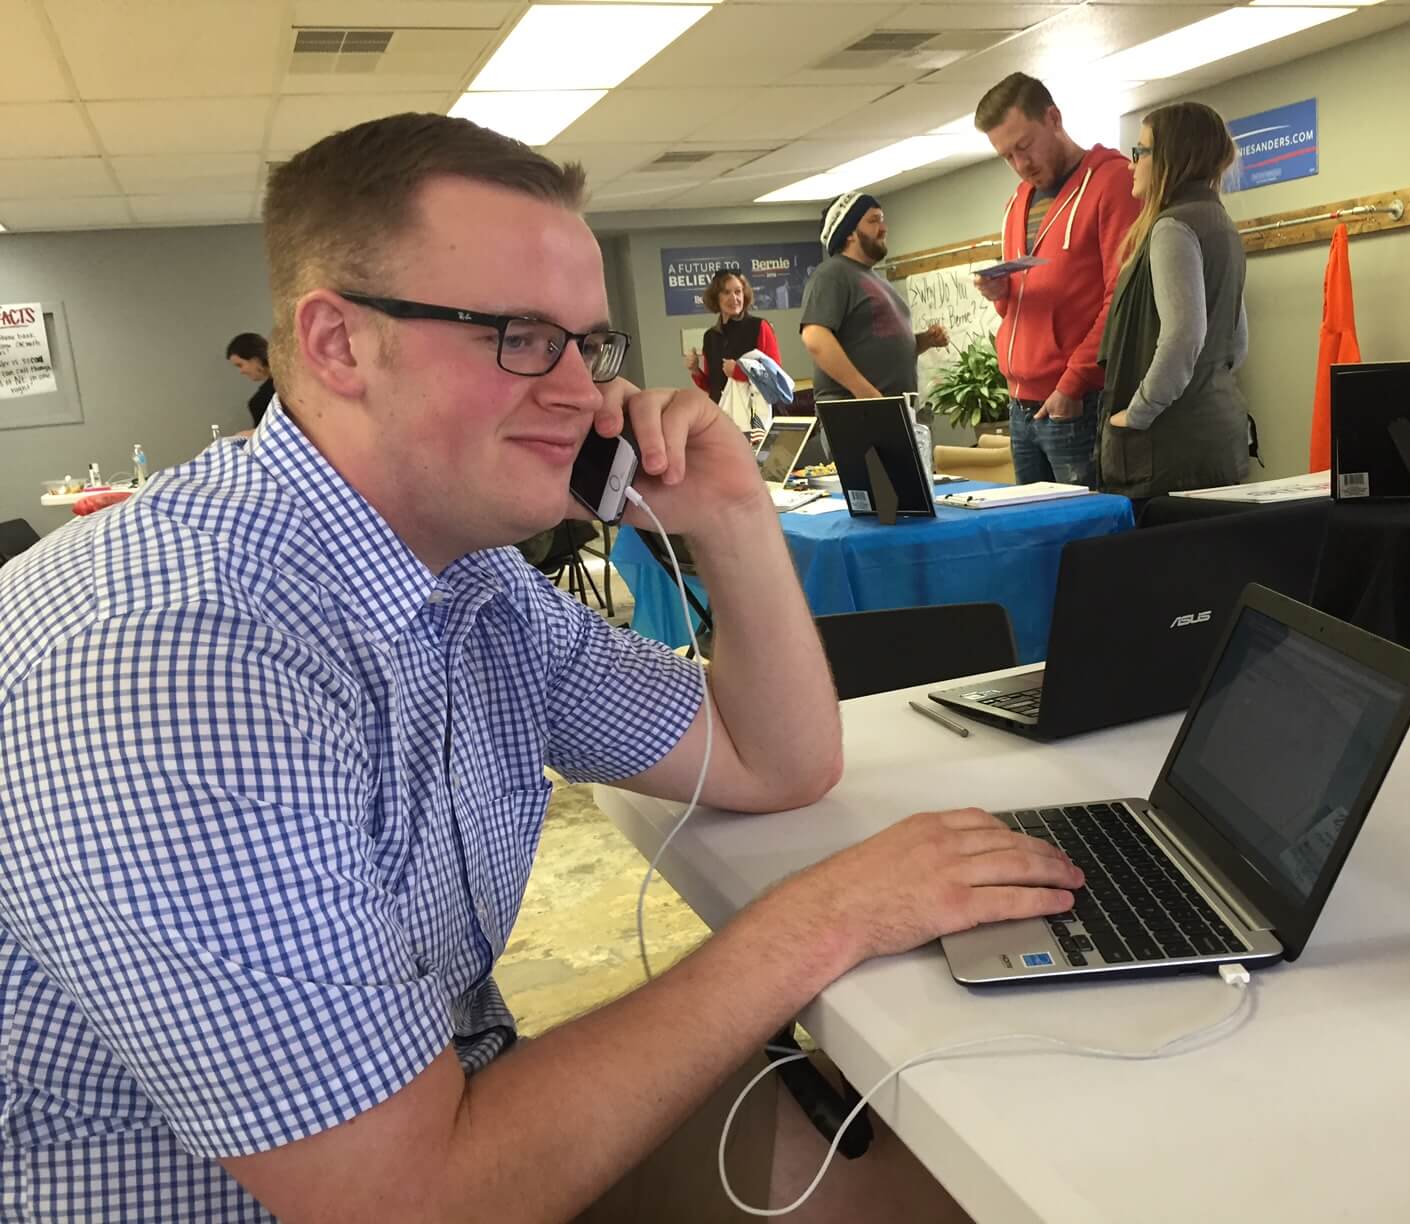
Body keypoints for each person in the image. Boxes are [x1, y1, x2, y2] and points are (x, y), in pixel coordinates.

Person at [0, 112, 1081, 1221]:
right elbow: (410, 1202)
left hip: (457, 1124)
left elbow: (775, 761)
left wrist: (735, 520)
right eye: (518, 334)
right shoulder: (178, 666)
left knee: (955, 1178)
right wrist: (823, 919)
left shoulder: (471, 581)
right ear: (335, 344)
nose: (580, 393)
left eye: (587, 344)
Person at [975, 73, 1140, 485]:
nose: (1020, 164)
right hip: (1020, 404)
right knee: (1035, 539)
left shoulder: (1112, 181)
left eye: (1024, 146)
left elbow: (1120, 298)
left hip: (1075, 401)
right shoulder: (1018, 201)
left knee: (1085, 538)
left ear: (1053, 118)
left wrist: (1073, 383)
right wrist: (1001, 294)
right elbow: (1027, 298)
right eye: (1007, 156)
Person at [1096, 101, 1250, 500]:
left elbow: (1183, 337)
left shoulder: (1173, 227)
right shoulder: (1221, 223)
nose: (1132, 164)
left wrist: (1137, 413)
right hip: (1218, 434)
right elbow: (1237, 342)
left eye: (1140, 151)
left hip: (1171, 452)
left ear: (1170, 157)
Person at [799, 191, 949, 401]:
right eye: (873, 221)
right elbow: (815, 337)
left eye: (882, 220)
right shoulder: (832, 273)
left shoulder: (874, 278)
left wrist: (923, 341)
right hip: (858, 412)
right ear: (849, 233)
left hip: (886, 408)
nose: (884, 228)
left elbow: (876, 346)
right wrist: (867, 394)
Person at [684, 268, 782, 430]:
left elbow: (775, 379)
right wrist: (695, 370)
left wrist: (739, 372)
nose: (734, 298)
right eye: (726, 292)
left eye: (738, 292)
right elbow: (713, 386)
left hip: (756, 422)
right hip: (722, 420)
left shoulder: (759, 327)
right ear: (716, 298)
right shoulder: (710, 336)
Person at [225, 330, 276, 425]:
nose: (241, 371)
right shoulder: (289, 382)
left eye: (240, 365)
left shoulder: (260, 401)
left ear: (255, 359)